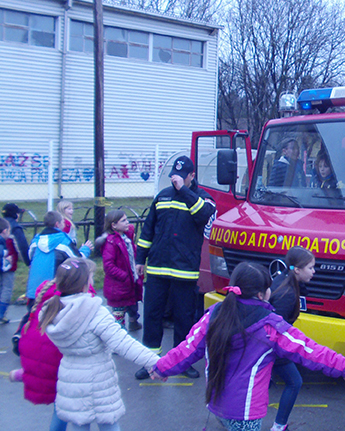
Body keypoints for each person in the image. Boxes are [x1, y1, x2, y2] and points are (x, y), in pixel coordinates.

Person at [150, 262, 345, 431]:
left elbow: (187, 348)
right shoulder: (271, 325)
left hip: (215, 404)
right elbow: (309, 350)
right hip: (246, 412)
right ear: (262, 294)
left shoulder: (215, 313)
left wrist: (162, 368)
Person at [41, 257, 159, 431]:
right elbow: (123, 344)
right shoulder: (95, 312)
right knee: (109, 424)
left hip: (70, 378)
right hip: (98, 380)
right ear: (83, 283)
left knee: (79, 424)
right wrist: (155, 362)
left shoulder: (53, 310)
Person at [135, 155, 215, 380]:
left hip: (184, 271)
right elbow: (148, 230)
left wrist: (184, 191)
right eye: (174, 176)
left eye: (181, 177)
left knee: (184, 317)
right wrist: (141, 259)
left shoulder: (202, 198)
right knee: (152, 315)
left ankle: (181, 362)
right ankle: (150, 361)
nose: (176, 180)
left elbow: (204, 215)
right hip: (158, 268)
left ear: (192, 176)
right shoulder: (162, 197)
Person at [10, 274, 98, 431]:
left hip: (35, 356)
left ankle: (26, 374)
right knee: (70, 407)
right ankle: (26, 375)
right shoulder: (80, 303)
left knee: (60, 399)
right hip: (58, 364)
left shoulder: (46, 296)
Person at [11, 211, 92, 356]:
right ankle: (53, 345)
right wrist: (86, 249)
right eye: (62, 222)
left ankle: (20, 334)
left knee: (33, 313)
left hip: (34, 287)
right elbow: (76, 259)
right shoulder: (63, 240)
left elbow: (30, 257)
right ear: (57, 224)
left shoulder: (36, 240)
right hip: (54, 287)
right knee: (55, 315)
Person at [268, 246, 315, 431]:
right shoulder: (287, 296)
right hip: (272, 346)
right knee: (294, 382)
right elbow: (275, 329)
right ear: (297, 270)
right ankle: (279, 426)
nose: (314, 271)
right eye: (310, 268)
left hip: (267, 344)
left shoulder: (283, 281)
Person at [96, 210, 142, 332]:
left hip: (130, 282)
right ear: (114, 225)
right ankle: (119, 338)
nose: (128, 223)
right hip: (119, 285)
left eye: (127, 219)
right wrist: (124, 276)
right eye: (124, 220)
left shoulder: (125, 237)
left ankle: (133, 322)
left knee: (133, 305)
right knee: (119, 314)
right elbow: (108, 265)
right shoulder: (111, 242)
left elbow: (131, 228)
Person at [0, 217, 18, 324]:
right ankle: (1, 313)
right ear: (5, 231)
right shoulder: (6, 241)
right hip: (7, 268)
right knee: (6, 289)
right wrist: (7, 260)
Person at [2, 203, 30, 267]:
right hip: (7, 264)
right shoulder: (15, 228)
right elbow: (22, 247)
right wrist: (28, 262)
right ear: (15, 215)